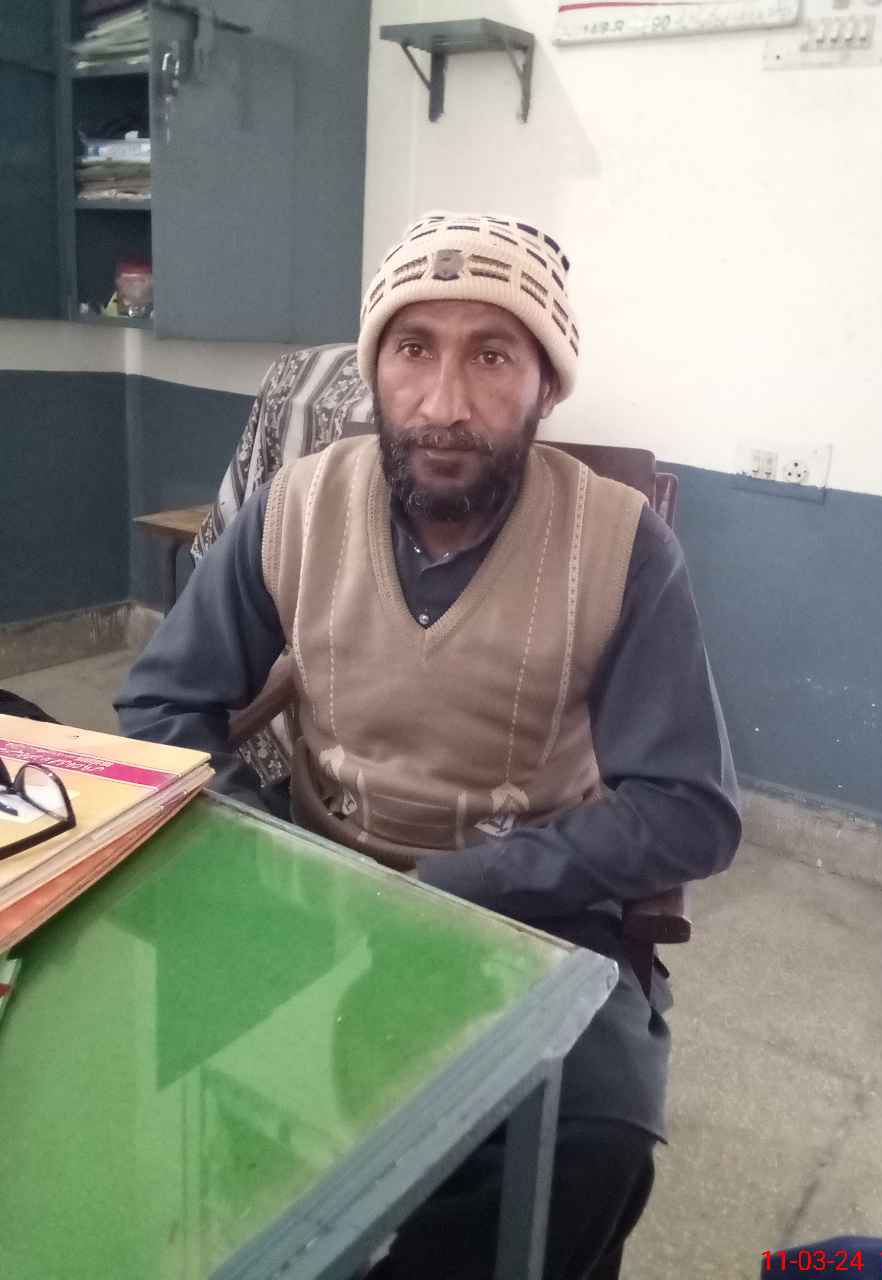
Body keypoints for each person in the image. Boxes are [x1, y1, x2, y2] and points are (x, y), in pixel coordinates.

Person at [115, 210, 741, 1279]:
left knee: (596, 1140)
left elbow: (691, 808)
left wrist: (474, 879)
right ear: (376, 370)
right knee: (144, 1077)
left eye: (492, 355)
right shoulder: (295, 507)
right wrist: (268, 848)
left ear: (546, 386)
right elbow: (163, 702)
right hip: (314, 887)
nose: (444, 403)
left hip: (533, 905)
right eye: (413, 349)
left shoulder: (621, 544)